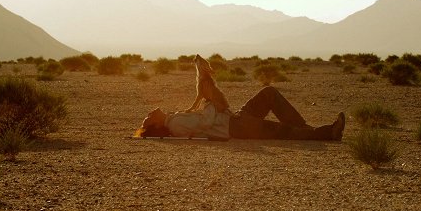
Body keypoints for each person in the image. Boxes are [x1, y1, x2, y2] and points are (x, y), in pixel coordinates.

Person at [135, 86, 345, 140]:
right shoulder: (175, 125)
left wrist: (217, 103)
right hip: (235, 127)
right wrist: (209, 101)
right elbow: (206, 124)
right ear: (155, 125)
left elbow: (207, 120)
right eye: (147, 117)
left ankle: (309, 130)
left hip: (234, 119)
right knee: (281, 131)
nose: (150, 111)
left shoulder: (174, 118)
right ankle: (325, 133)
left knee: (269, 93)